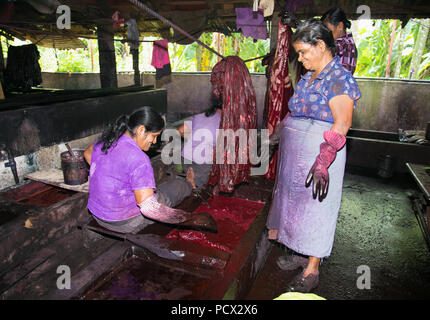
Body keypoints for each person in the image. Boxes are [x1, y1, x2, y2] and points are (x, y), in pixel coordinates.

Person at [266, 19, 361, 293]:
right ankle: (299, 252)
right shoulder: (309, 77)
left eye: (304, 52)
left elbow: (342, 123)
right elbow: (295, 111)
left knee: (316, 208)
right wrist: (276, 135)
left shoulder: (339, 78)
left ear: (321, 46)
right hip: (295, 152)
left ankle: (312, 268)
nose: (300, 58)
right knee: (294, 204)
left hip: (321, 154)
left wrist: (324, 159)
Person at [83, 106, 216, 234]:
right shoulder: (139, 158)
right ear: (141, 130)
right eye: (154, 136)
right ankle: (188, 182)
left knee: (152, 189)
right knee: (173, 190)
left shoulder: (107, 138)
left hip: (98, 215)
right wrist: (189, 219)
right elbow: (149, 209)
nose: (154, 141)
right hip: (123, 223)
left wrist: (109, 174)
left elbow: (87, 154)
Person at [156, 102, 222, 207]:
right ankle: (162, 200)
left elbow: (180, 131)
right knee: (193, 186)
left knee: (182, 178)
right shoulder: (224, 121)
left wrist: (194, 141)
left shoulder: (201, 115)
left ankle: (175, 185)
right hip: (201, 162)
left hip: (185, 156)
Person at [321, 7, 357, 74]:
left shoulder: (344, 45)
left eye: (328, 30)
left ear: (340, 26)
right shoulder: (345, 44)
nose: (325, 35)